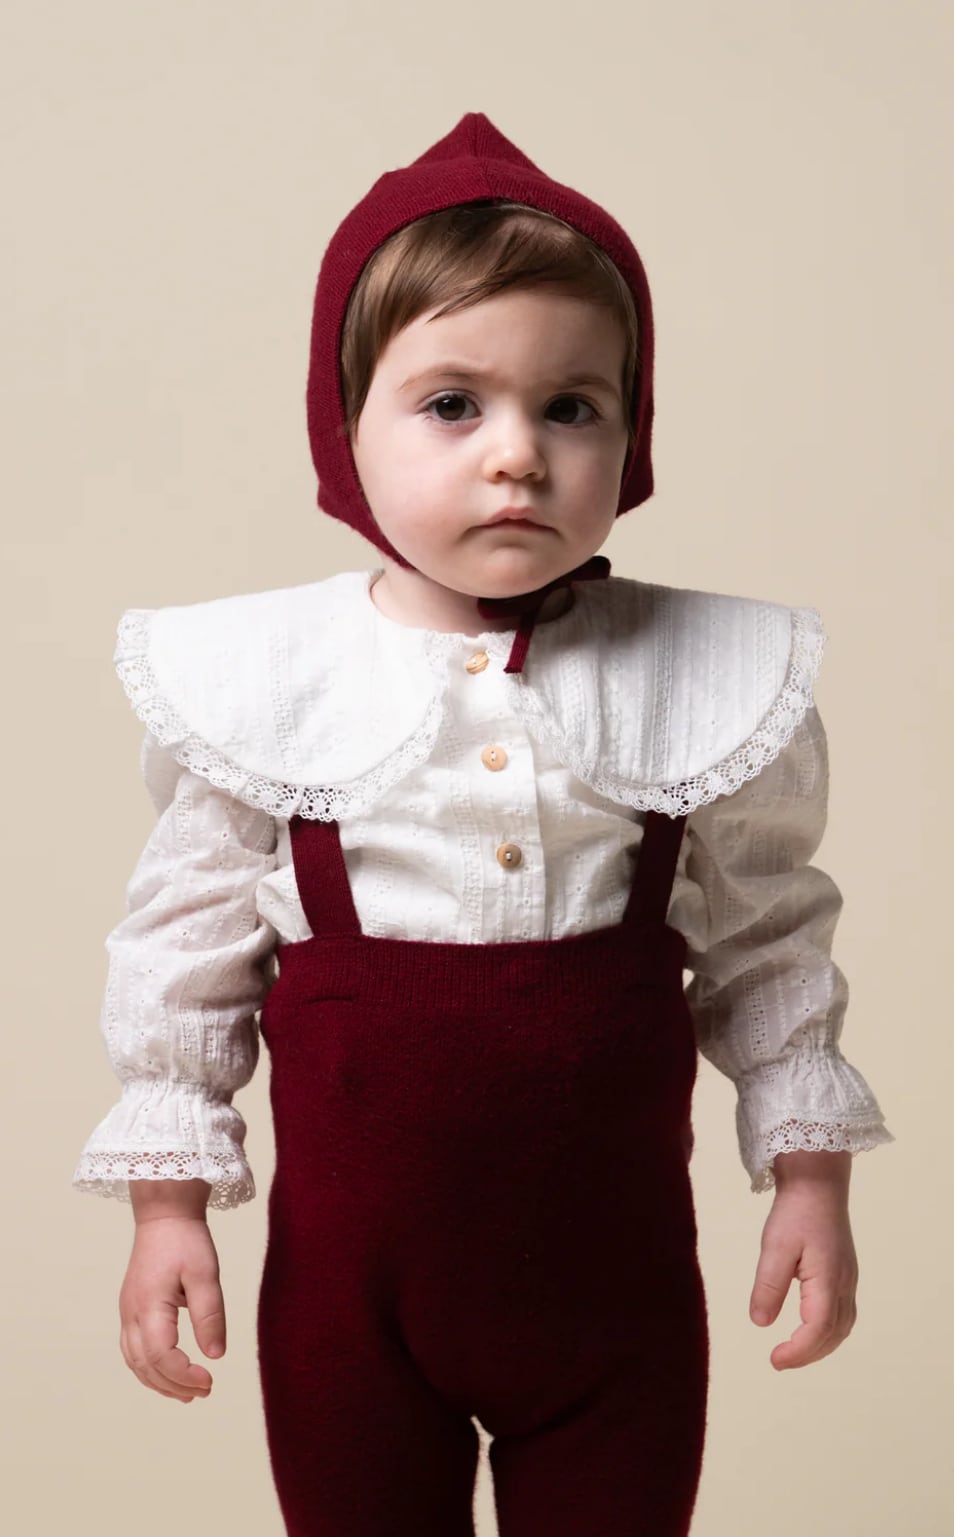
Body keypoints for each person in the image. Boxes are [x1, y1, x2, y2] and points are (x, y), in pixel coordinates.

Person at [72, 113, 893, 1536]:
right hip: (348, 1311)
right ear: (347, 427)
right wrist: (167, 1211)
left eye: (571, 406)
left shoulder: (701, 682)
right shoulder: (267, 689)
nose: (517, 455)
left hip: (619, 1303)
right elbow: (184, 954)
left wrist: (808, 1181)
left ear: (633, 433)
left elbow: (769, 945)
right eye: (453, 404)